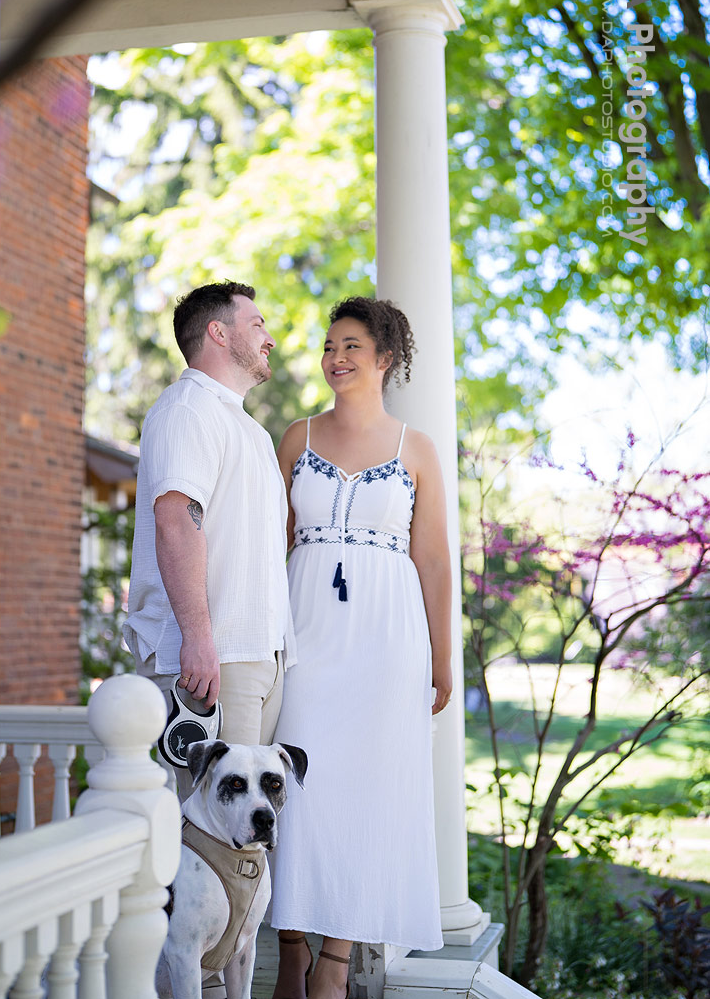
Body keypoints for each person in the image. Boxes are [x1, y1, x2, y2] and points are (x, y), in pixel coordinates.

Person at [269, 296, 451, 999]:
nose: (335, 359)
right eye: (327, 346)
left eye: (350, 346)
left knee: (363, 792)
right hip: (306, 629)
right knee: (298, 785)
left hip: (386, 639)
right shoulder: (296, 437)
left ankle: (333, 961)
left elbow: (431, 560)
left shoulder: (417, 449)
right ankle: (289, 945)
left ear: (384, 358)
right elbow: (273, 544)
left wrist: (440, 658)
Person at [123, 281, 294, 802]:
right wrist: (199, 640)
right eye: (257, 324)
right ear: (218, 332)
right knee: (207, 832)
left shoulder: (250, 430)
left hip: (257, 656)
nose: (269, 337)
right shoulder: (187, 409)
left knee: (244, 832)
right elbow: (176, 520)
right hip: (212, 659)